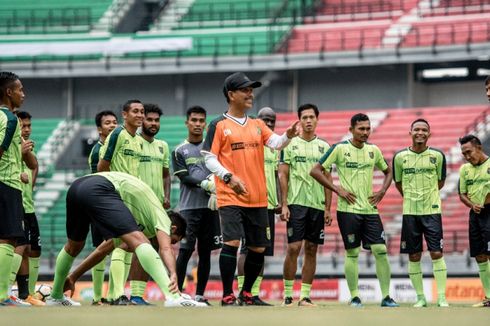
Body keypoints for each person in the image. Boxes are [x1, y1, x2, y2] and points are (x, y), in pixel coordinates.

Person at [201, 72, 299, 306]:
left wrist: (288, 135)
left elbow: (275, 143)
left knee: (257, 247)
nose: (250, 94)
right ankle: (227, 294)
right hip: (230, 196)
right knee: (232, 243)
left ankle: (247, 293)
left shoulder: (257, 124)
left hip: (257, 197)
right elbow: (208, 157)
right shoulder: (218, 124)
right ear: (231, 94)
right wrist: (228, 177)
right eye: (245, 90)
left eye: (251, 90)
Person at [45, 172, 207, 307]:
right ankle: (172, 297)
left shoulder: (137, 218)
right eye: (173, 240)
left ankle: (56, 296)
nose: (167, 241)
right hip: (100, 186)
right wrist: (173, 274)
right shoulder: (162, 217)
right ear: (172, 229)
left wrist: (73, 277)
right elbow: (165, 249)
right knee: (141, 242)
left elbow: (103, 250)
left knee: (74, 246)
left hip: (76, 187)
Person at [310, 113, 398, 308]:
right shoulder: (340, 149)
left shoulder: (374, 150)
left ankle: (386, 297)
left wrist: (382, 191)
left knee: (381, 250)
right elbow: (315, 170)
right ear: (351, 130)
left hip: (370, 210)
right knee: (352, 253)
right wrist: (337, 189)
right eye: (361, 129)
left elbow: (388, 171)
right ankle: (355, 296)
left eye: (368, 128)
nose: (365, 132)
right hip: (347, 209)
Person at [280, 104, 332, 307]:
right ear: (299, 120)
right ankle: (287, 295)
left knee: (311, 248)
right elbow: (283, 175)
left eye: (311, 117)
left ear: (317, 119)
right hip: (296, 204)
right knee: (293, 247)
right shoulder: (290, 145)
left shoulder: (325, 147)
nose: (308, 120)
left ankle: (305, 296)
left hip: (317, 206)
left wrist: (328, 208)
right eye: (304, 117)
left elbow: (328, 179)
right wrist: (284, 204)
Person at [392, 118, 448, 308]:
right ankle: (420, 297)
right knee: (414, 255)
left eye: (424, 130)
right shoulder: (400, 157)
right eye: (417, 129)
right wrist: (410, 197)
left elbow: (440, 182)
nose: (420, 133)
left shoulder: (438, 156)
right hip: (410, 213)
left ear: (429, 134)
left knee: (436, 252)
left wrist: (427, 197)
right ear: (410, 132)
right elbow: (398, 182)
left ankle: (441, 297)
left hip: (432, 211)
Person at [173, 106, 222, 306]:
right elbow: (183, 177)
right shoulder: (179, 150)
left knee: (205, 252)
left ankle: (200, 295)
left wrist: (216, 185)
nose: (198, 124)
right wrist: (204, 183)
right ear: (187, 122)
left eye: (201, 121)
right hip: (187, 210)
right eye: (194, 120)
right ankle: (176, 294)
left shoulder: (212, 149)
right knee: (185, 251)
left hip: (210, 208)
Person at [98, 99, 144, 305]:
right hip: (116, 196)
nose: (140, 115)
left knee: (127, 246)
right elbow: (102, 165)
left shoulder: (138, 139)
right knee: (122, 243)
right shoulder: (117, 134)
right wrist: (111, 192)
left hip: (131, 198)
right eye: (135, 111)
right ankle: (116, 294)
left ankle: (115, 294)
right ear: (125, 115)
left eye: (142, 111)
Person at [127, 103, 171, 305]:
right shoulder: (134, 143)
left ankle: (137, 295)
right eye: (149, 119)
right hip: (136, 205)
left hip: (156, 207)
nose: (153, 123)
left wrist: (167, 196)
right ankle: (115, 294)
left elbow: (166, 175)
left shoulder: (163, 146)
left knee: (149, 249)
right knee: (136, 248)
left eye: (156, 120)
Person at [236, 107, 280, 306]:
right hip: (250, 203)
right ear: (257, 120)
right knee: (247, 250)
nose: (269, 123)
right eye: (265, 119)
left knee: (261, 251)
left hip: (269, 205)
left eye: (272, 120)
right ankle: (241, 292)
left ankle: (253, 294)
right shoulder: (249, 142)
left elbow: (277, 175)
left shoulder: (274, 146)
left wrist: (279, 200)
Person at [0, 71, 36, 306]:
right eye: (20, 89)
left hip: (8, 183)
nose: (23, 94)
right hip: (7, 183)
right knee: (7, 240)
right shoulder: (10, 119)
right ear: (8, 92)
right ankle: (3, 295)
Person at [10, 111, 44, 306]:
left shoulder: (30, 154)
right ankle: (5, 291)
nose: (27, 130)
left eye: (29, 126)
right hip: (16, 207)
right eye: (23, 126)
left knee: (33, 250)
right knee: (20, 247)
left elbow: (32, 177)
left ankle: (27, 294)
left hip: (29, 207)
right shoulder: (10, 150)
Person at [87, 110, 117, 305]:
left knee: (117, 250)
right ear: (99, 129)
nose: (113, 125)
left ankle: (114, 295)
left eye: (115, 122)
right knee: (101, 251)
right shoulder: (98, 151)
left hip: (113, 204)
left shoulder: (115, 146)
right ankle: (98, 296)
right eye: (108, 123)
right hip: (100, 204)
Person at [458, 134, 490, 308]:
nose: (467, 157)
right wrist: (471, 204)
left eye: (469, 152)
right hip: (475, 215)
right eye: (464, 154)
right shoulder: (464, 170)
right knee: (480, 255)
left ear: (479, 147)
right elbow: (462, 194)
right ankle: (488, 297)